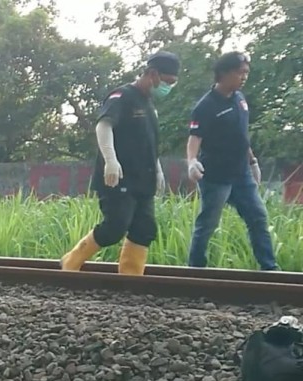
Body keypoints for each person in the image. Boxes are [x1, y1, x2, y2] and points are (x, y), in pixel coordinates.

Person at [61, 51, 180, 276]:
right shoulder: (122, 96)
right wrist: (110, 160)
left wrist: (158, 170)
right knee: (115, 226)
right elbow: (103, 126)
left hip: (144, 179)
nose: (168, 88)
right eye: (167, 82)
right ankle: (71, 261)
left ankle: (130, 278)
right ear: (153, 74)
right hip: (118, 177)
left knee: (144, 229)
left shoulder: (149, 104)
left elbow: (149, 142)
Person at [185, 52, 278, 271]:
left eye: (246, 72)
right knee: (208, 223)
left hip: (242, 175)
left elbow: (241, 135)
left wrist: (253, 162)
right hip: (216, 177)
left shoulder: (240, 99)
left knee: (258, 218)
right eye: (240, 72)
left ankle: (270, 268)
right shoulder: (206, 105)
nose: (244, 77)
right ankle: (195, 269)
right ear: (224, 73)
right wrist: (191, 161)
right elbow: (194, 137)